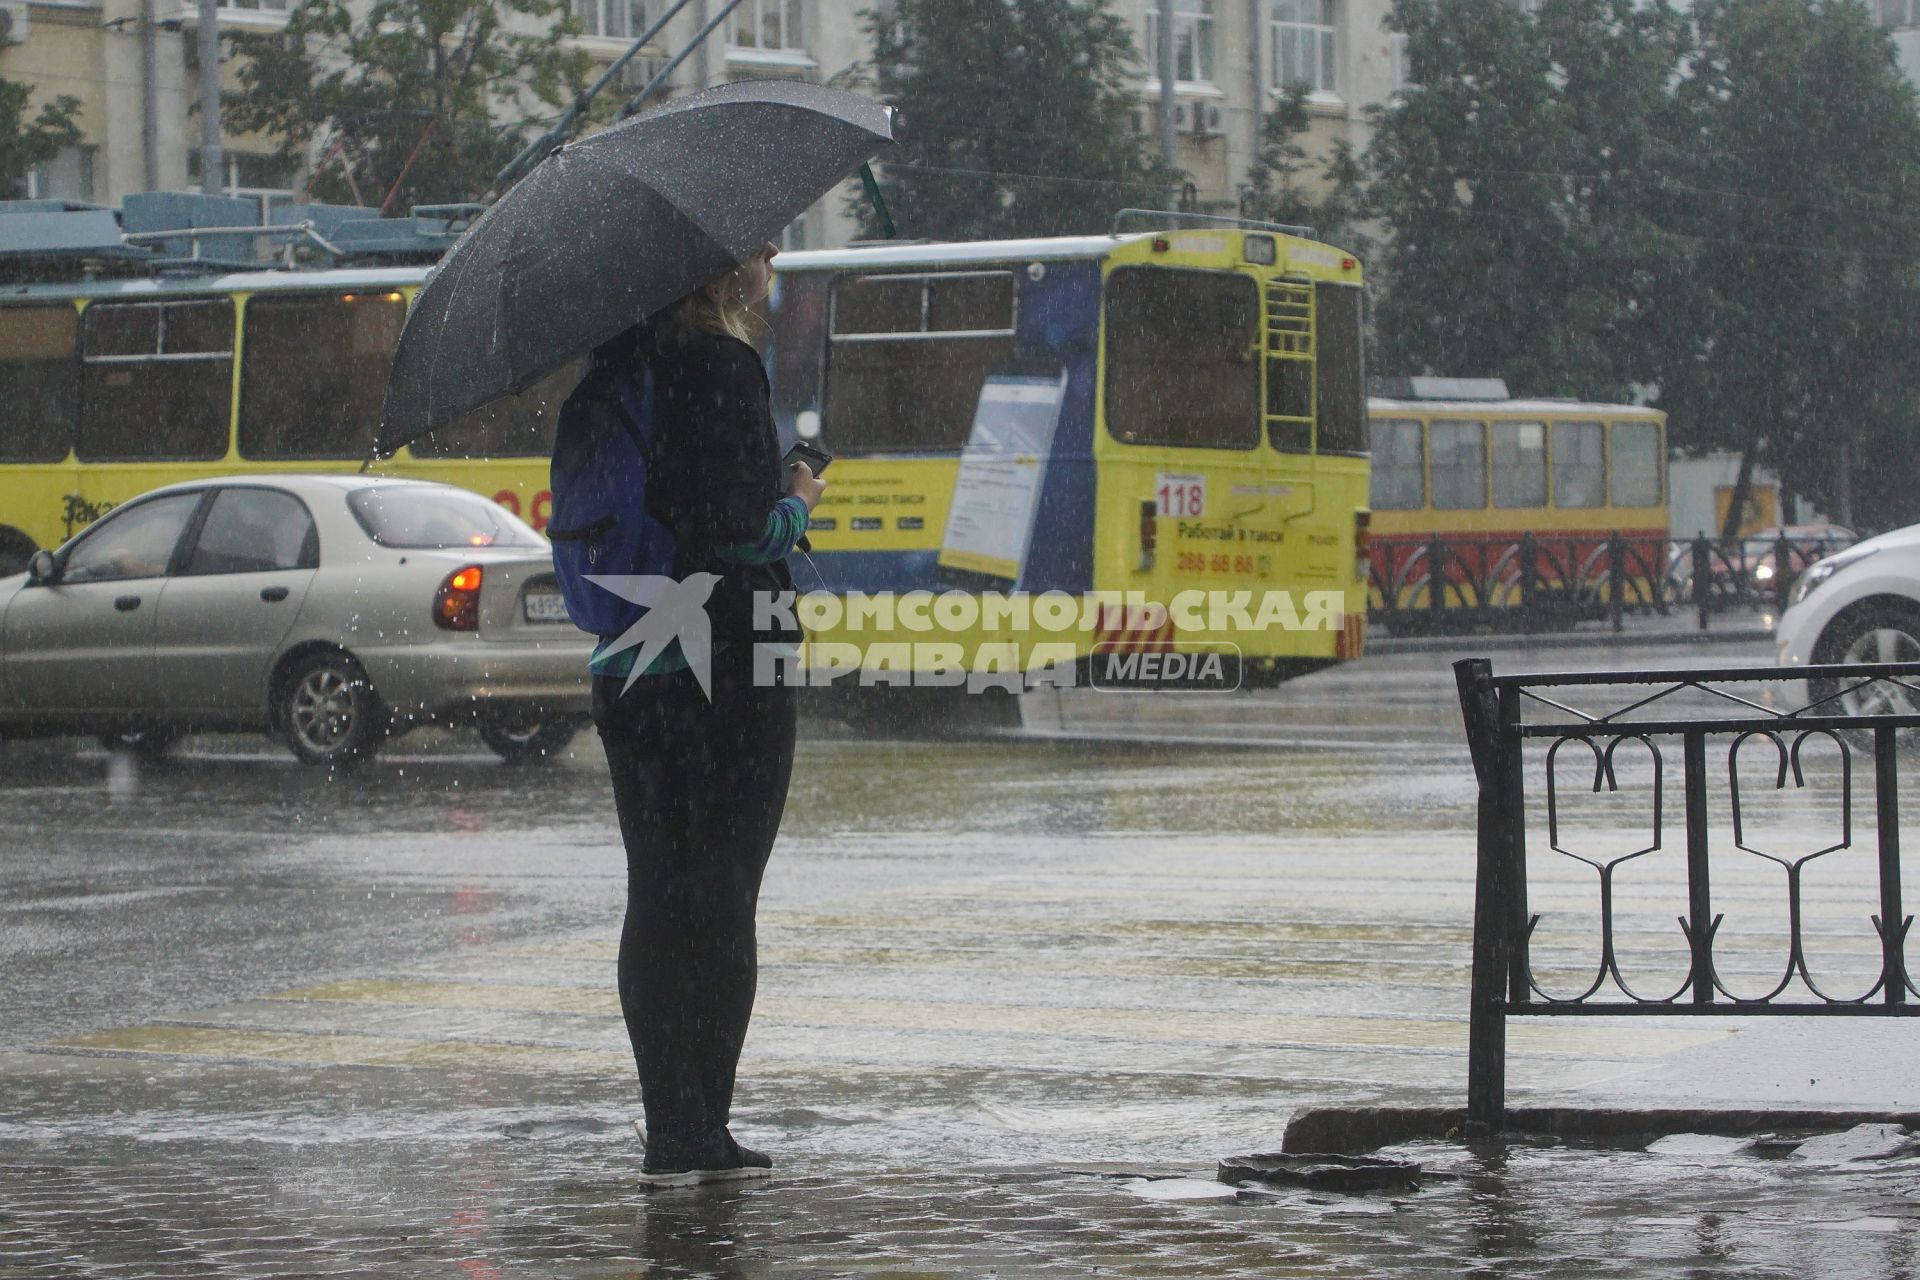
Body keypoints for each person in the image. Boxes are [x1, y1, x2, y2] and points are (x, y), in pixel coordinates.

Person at [586, 241, 826, 1187]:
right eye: (756, 240)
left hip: (633, 653)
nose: (769, 253)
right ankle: (703, 1130)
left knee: (656, 889)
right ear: (714, 268)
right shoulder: (722, 365)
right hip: (730, 657)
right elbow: (740, 529)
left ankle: (667, 1125)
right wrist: (800, 498)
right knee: (724, 895)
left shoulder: (619, 366)